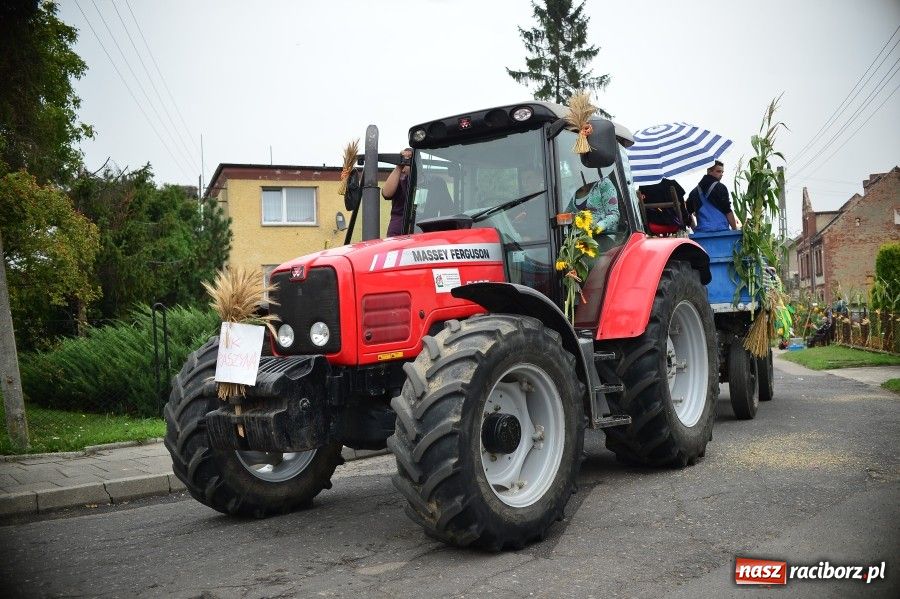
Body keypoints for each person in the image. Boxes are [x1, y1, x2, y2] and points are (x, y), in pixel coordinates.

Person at [687, 160, 737, 232]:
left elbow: (687, 213)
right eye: (718, 171)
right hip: (722, 233)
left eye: (722, 172)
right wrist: (735, 230)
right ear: (709, 171)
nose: (721, 174)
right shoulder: (720, 187)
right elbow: (728, 211)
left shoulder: (694, 192)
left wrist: (695, 230)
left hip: (702, 234)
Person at [382, 147, 413, 237]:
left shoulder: (434, 182)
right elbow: (386, 194)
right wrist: (400, 164)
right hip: (399, 233)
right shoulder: (401, 182)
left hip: (424, 233)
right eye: (409, 162)